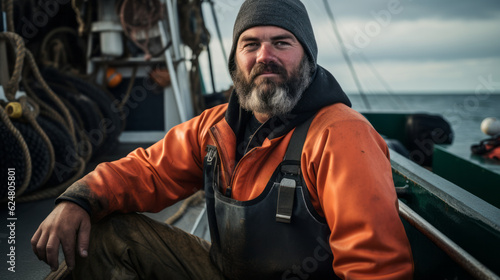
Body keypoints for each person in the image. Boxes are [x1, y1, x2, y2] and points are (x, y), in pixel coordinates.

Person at [32, 0, 414, 279]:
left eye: (282, 43)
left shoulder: (340, 135)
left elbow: (373, 266)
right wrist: (79, 198)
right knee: (107, 234)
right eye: (251, 45)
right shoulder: (215, 127)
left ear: (308, 59)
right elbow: (148, 172)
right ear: (235, 62)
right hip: (224, 272)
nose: (265, 56)